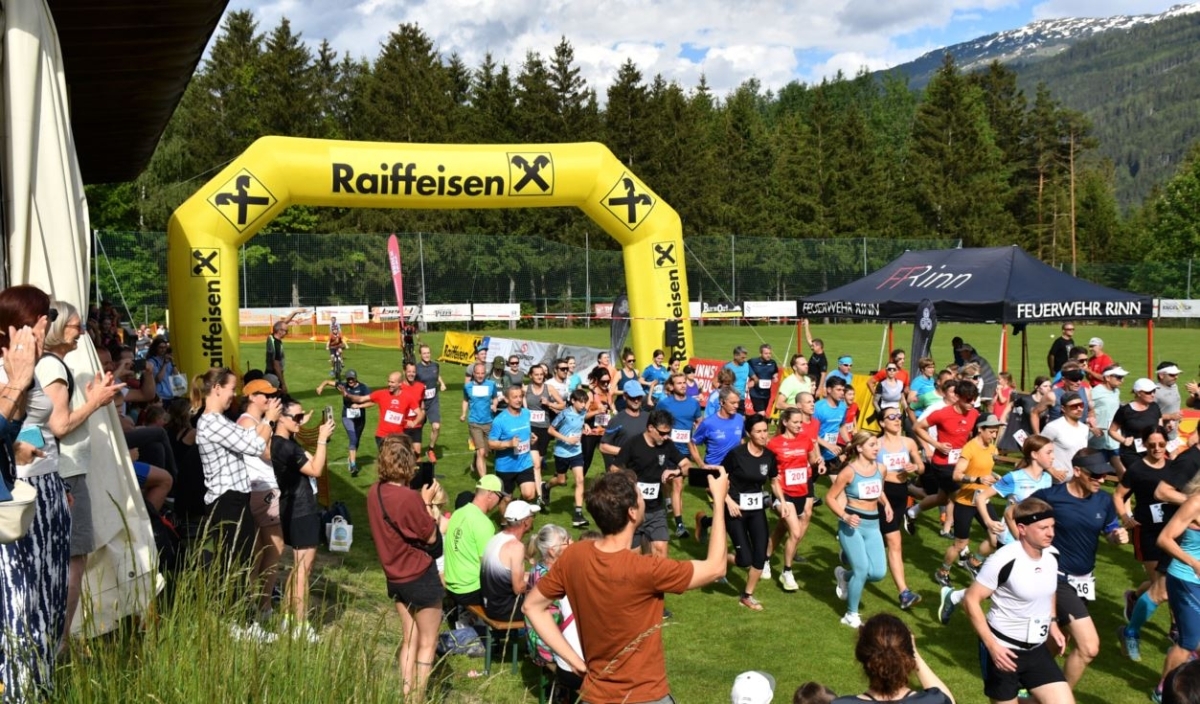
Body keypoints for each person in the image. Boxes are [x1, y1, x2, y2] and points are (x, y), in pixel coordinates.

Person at [524, 468, 732, 704]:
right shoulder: (646, 570)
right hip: (644, 696)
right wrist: (718, 501)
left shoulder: (574, 555)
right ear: (632, 512)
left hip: (594, 695)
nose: (644, 499)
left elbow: (531, 606)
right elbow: (717, 567)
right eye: (640, 496)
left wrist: (572, 659)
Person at [40, 300, 124, 646]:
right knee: (75, 557)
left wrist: (87, 399)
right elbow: (59, 425)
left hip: (64, 470)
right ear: (58, 328)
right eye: (77, 326)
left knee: (69, 555)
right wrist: (96, 403)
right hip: (67, 473)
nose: (82, 332)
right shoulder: (53, 368)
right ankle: (59, 643)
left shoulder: (50, 366)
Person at [0, 287, 64, 700]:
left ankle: (36, 690)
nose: (47, 332)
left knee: (38, 610)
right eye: (40, 323)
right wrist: (18, 380)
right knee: (17, 618)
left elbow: (15, 427)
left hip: (23, 496)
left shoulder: (22, 366)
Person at [191, 367, 281, 642]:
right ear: (216, 388)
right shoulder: (211, 422)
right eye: (231, 388)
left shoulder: (220, 420)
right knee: (236, 562)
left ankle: (237, 619)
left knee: (238, 559)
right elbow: (254, 445)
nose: (233, 395)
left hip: (233, 497)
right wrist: (268, 420)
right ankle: (239, 623)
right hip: (226, 499)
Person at [1031, 449, 1128, 688]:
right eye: (1095, 475)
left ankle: (1028, 682)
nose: (1102, 480)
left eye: (1105, 475)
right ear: (1077, 471)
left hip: (1085, 581)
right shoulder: (1050, 497)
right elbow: (1015, 514)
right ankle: (1061, 696)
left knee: (1057, 640)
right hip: (1057, 579)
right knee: (1089, 647)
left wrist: (1116, 537)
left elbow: (1108, 532)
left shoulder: (1104, 500)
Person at [961, 497, 1071, 704]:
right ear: (1022, 529)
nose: (1051, 533)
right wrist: (992, 647)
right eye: (1043, 528)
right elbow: (971, 600)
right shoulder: (1003, 560)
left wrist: (1053, 623)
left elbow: (1049, 591)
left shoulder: (1052, 556)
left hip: (1037, 650)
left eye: (1052, 526)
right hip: (1004, 651)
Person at [940, 434, 1057, 624]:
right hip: (1011, 540)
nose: (1053, 457)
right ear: (1035, 455)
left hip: (1035, 542)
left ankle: (954, 597)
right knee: (1008, 586)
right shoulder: (1014, 478)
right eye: (1049, 452)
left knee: (1004, 586)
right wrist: (987, 521)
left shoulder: (1047, 479)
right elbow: (981, 497)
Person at [366, 435, 442, 700]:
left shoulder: (374, 492)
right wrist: (429, 503)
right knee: (427, 642)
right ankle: (417, 697)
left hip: (394, 575)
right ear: (409, 462)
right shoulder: (409, 499)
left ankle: (405, 691)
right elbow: (433, 539)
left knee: (409, 639)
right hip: (419, 575)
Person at [271, 396, 336, 641]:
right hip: (302, 509)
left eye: (302, 416)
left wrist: (299, 422)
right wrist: (321, 439)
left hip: (290, 508)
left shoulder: (278, 442)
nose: (301, 421)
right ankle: (301, 625)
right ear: (281, 417)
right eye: (296, 418)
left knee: (296, 569)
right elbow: (316, 470)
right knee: (303, 572)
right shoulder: (287, 447)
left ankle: (287, 619)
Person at [1116, 425, 1173, 662]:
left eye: (1161, 444)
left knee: (1164, 583)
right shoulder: (1137, 469)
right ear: (1144, 444)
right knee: (1162, 584)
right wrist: (1125, 517)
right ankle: (1173, 628)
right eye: (1152, 445)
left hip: (1170, 530)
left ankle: (1134, 597)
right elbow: (1119, 495)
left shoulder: (1174, 467)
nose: (1157, 448)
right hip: (1146, 531)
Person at [829, 431, 891, 629]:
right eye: (872, 445)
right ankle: (851, 614)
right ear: (859, 448)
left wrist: (886, 503)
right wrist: (845, 516)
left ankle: (844, 576)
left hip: (874, 525)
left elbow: (877, 489)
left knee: (878, 573)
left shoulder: (881, 468)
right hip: (851, 526)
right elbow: (830, 497)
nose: (877, 448)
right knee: (862, 570)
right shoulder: (849, 471)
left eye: (876, 444)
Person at [933, 415, 1004, 589]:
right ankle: (943, 571)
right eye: (991, 431)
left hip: (983, 500)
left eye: (996, 431)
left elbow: (987, 469)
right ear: (980, 429)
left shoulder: (992, 448)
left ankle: (973, 562)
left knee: (995, 538)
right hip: (965, 503)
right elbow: (956, 475)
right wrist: (978, 479)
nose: (994, 435)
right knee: (960, 544)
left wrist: (995, 476)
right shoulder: (969, 449)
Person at [612, 409, 691, 560]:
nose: (665, 436)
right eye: (662, 433)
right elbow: (614, 469)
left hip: (656, 510)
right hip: (633, 510)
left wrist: (677, 471)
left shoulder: (667, 445)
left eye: (668, 433)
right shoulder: (633, 444)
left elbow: (687, 465)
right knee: (633, 557)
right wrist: (629, 482)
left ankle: (658, 583)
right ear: (650, 428)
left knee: (661, 550)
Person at [237, 378, 285, 620]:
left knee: (258, 550)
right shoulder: (248, 421)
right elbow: (266, 452)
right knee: (274, 549)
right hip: (262, 490)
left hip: (258, 489)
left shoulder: (252, 421)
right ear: (252, 397)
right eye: (265, 395)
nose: (270, 399)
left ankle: (253, 602)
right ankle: (263, 606)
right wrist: (274, 423)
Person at [722, 414, 779, 611]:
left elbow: (774, 481)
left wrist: (781, 501)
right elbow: (718, 481)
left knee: (760, 555)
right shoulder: (736, 455)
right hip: (735, 509)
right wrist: (728, 501)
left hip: (756, 510)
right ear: (749, 433)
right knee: (744, 559)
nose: (764, 435)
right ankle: (722, 560)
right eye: (759, 432)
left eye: (765, 431)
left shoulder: (769, 457)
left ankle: (747, 595)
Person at [830, 614, 955, 704]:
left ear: (861, 655)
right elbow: (948, 700)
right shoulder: (933, 700)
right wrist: (915, 655)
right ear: (908, 657)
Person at [525, 524, 585, 704]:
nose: (572, 543)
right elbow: (554, 622)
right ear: (552, 551)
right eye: (567, 542)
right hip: (544, 644)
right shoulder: (549, 580)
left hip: (536, 636)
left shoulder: (542, 569)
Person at [767, 402, 823, 591]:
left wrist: (819, 462)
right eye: (796, 422)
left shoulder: (805, 439)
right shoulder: (774, 444)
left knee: (780, 530)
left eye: (801, 422)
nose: (800, 425)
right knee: (796, 532)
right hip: (783, 493)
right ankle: (787, 572)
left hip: (802, 490)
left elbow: (811, 461)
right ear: (785, 422)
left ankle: (765, 559)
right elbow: (768, 470)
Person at [875, 402, 925, 610]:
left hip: (901, 496)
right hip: (880, 495)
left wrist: (915, 467)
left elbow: (921, 467)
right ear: (881, 422)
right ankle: (904, 593)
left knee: (885, 541)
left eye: (898, 416)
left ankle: (847, 557)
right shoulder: (875, 445)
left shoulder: (909, 442)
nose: (897, 420)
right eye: (891, 417)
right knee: (894, 541)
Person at [1156, 473, 1200, 704]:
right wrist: (1193, 562)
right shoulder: (1195, 502)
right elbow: (1165, 538)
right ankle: (1163, 691)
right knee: (1189, 641)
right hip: (1186, 578)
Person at [442, 475, 504, 615]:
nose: (499, 502)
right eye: (499, 497)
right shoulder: (483, 523)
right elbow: (489, 567)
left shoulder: (458, 513)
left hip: (451, 584)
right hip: (469, 590)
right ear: (490, 494)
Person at [657, 371, 703, 538]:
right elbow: (656, 422)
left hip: (684, 451)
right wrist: (664, 435)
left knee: (678, 485)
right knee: (667, 482)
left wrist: (697, 435)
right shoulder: (664, 403)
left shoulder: (693, 403)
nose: (683, 385)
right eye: (679, 383)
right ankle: (668, 500)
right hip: (667, 449)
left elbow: (699, 422)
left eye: (684, 382)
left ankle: (679, 524)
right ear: (671, 386)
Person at [481, 499, 540, 622]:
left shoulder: (496, 538)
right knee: (549, 603)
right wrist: (539, 581)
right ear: (525, 522)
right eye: (532, 516)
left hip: (490, 604)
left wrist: (529, 576)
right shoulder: (516, 547)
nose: (533, 519)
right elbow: (518, 588)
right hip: (504, 610)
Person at [547, 388, 590, 528]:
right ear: (573, 401)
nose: (584, 405)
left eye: (585, 402)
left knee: (580, 479)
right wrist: (566, 439)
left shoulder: (583, 412)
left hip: (576, 452)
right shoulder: (564, 414)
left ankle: (578, 514)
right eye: (581, 402)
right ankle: (546, 486)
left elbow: (581, 421)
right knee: (561, 480)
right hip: (561, 452)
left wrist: (585, 426)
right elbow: (551, 430)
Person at [489, 384, 537, 505]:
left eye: (520, 396)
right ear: (506, 399)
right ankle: (505, 523)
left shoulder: (526, 413)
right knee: (506, 499)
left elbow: (525, 433)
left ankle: (517, 510)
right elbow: (491, 443)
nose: (519, 400)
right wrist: (509, 444)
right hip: (506, 466)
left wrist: (531, 438)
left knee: (530, 494)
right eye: (514, 397)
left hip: (524, 463)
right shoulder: (499, 420)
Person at [317, 368, 370, 476]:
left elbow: (372, 402)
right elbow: (327, 381)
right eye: (348, 379)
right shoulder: (343, 386)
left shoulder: (363, 388)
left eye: (352, 379)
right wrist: (321, 386)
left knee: (356, 441)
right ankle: (353, 465)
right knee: (353, 438)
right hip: (347, 417)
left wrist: (359, 405)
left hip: (360, 418)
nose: (350, 381)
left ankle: (350, 458)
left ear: (356, 378)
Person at [1110, 378, 1164, 475]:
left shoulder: (1154, 407)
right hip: (1132, 453)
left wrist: (1165, 431)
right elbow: (1112, 431)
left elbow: (1159, 427)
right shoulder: (1125, 411)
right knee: (1142, 477)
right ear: (1138, 393)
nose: (1152, 394)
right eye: (1148, 392)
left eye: (1154, 391)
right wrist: (1124, 440)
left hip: (1151, 450)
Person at [599, 380, 648, 469]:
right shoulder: (617, 420)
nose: (636, 401)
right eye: (633, 397)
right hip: (623, 470)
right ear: (625, 397)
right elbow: (603, 447)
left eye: (639, 397)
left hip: (643, 469)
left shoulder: (647, 417)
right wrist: (628, 452)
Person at [462, 362, 499, 477]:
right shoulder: (468, 386)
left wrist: (495, 405)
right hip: (474, 422)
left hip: (488, 422)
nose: (480, 375)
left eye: (482, 373)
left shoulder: (491, 385)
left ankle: (475, 461)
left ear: (485, 373)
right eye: (477, 373)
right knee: (481, 452)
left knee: (485, 453)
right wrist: (463, 413)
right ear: (473, 373)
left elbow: (495, 398)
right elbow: (465, 400)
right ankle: (484, 481)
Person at [414, 344, 447, 452]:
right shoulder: (416, 369)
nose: (427, 355)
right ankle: (412, 451)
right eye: (424, 353)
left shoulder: (435, 365)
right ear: (420, 355)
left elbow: (437, 375)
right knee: (416, 429)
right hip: (420, 403)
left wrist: (442, 383)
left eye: (428, 353)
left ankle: (431, 449)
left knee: (436, 426)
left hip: (433, 401)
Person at [264, 310, 301, 394]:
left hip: (270, 374)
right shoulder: (276, 345)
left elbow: (282, 323)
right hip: (274, 377)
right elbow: (276, 365)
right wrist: (283, 383)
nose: (287, 333)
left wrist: (294, 312)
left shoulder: (271, 337)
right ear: (280, 331)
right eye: (286, 331)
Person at [1157, 362, 1185, 442]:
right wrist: (1169, 416)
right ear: (1161, 375)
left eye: (1177, 374)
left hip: (1173, 433)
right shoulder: (1154, 392)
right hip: (1160, 437)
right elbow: (1147, 415)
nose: (1176, 377)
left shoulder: (1174, 386)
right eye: (1172, 375)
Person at [747, 344, 780, 415]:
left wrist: (775, 376)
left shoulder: (772, 363)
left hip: (766, 394)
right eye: (766, 353)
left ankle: (752, 424)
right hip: (755, 393)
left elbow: (775, 371)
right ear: (760, 354)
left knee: (760, 414)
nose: (768, 355)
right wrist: (752, 379)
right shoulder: (753, 362)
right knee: (762, 413)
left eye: (770, 353)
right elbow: (745, 368)